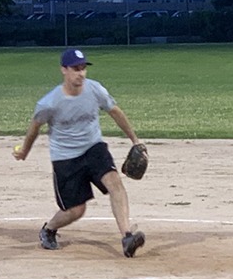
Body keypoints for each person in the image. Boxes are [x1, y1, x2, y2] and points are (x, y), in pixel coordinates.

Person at [13, 47, 146, 258]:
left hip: (93, 148)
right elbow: (35, 128)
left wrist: (135, 140)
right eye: (76, 69)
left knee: (114, 183)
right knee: (76, 210)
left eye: (83, 68)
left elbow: (115, 112)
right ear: (64, 70)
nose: (81, 73)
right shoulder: (50, 102)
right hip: (65, 158)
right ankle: (49, 229)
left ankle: (127, 237)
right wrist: (24, 152)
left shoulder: (94, 90)